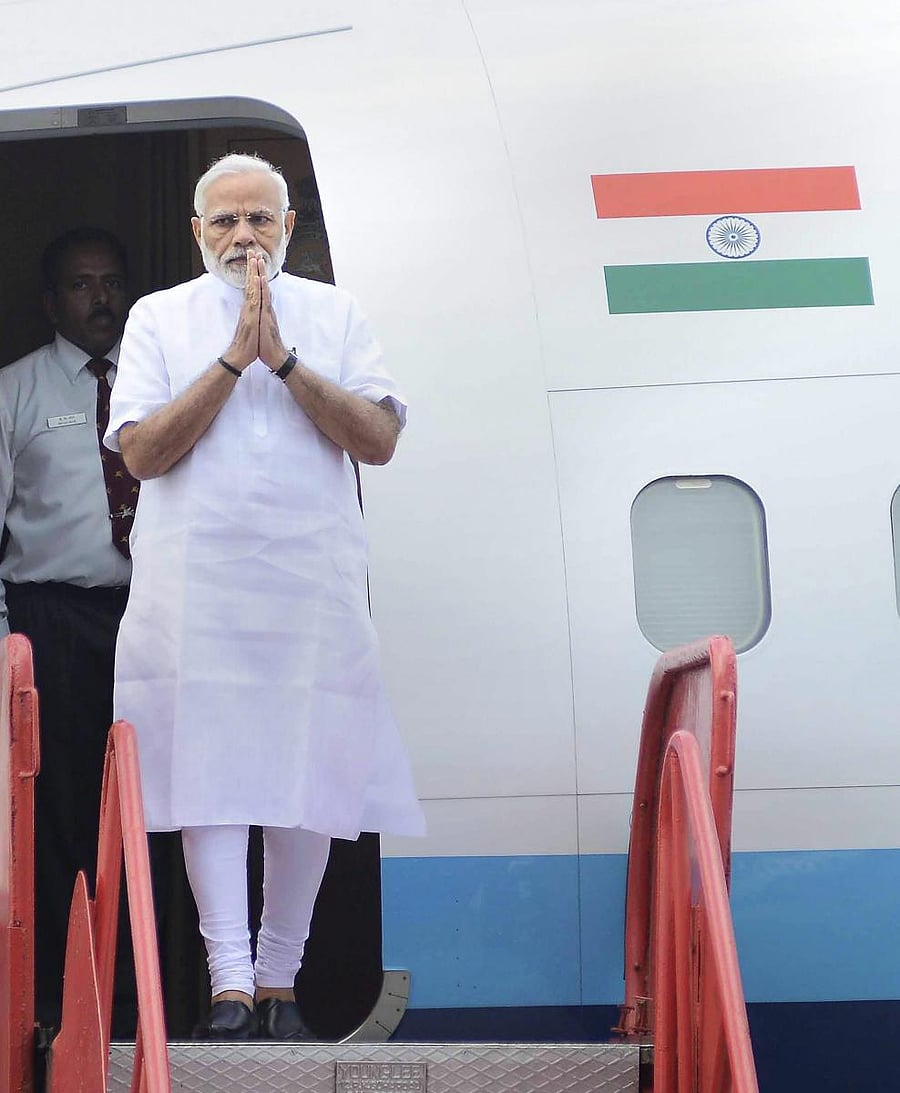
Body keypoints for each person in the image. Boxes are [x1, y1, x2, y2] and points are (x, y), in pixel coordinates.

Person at [104, 153, 424, 1040]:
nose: (244, 236)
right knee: (206, 777)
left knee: (307, 772)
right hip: (193, 590)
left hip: (308, 585)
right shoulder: (159, 317)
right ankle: (230, 986)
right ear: (197, 231)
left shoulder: (337, 312)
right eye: (225, 221)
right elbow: (140, 452)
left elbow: (380, 437)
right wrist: (228, 361)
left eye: (260, 219)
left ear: (288, 227)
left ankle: (281, 982)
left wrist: (282, 362)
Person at [0, 227, 139, 1032]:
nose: (101, 298)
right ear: (53, 301)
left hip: (147, 616)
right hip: (49, 619)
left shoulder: (157, 385)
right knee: (57, 808)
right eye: (83, 285)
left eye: (112, 281)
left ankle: (149, 996)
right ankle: (60, 1004)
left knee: (144, 803)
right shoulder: (16, 390)